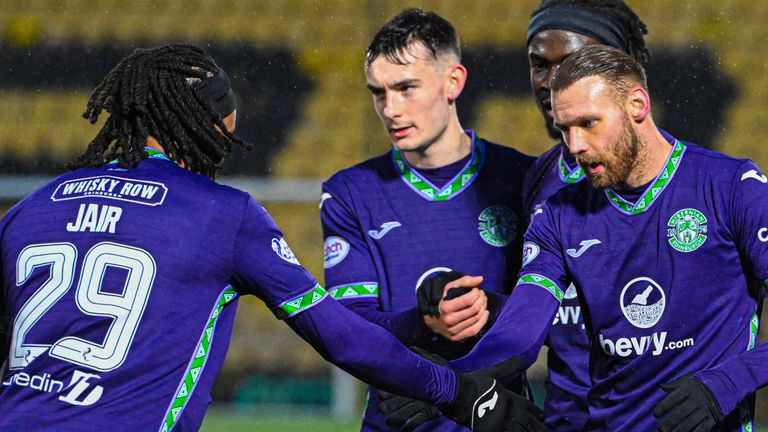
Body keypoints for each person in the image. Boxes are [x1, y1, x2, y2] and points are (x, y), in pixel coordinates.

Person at [0, 44, 543, 431]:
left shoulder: (29, 209)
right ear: (212, 126)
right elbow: (340, 335)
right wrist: (457, 392)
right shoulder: (222, 213)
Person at [446, 45, 768, 431]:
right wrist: (440, 383)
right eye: (565, 129)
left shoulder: (732, 187)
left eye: (588, 123)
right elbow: (520, 333)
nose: (575, 146)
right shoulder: (558, 215)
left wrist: (729, 382)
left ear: (637, 105)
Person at [320, 9, 536, 432]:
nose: (390, 109)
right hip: (397, 421)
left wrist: (490, 310)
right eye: (378, 93)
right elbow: (348, 325)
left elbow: (556, 311)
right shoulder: (350, 192)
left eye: (406, 88)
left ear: (453, 81)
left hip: (498, 420)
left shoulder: (522, 179)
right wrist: (423, 324)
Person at [521, 1, 650, 429]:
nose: (552, 82)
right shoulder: (536, 180)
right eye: (540, 64)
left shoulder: (706, 185)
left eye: (574, 63)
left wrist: (726, 382)